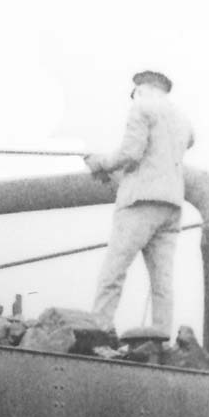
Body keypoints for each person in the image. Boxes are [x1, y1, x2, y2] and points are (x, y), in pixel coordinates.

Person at [83, 70, 194, 337]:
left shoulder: (141, 107)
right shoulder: (182, 119)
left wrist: (100, 163)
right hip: (171, 204)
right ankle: (160, 337)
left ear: (140, 89)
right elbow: (183, 143)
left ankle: (100, 327)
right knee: (162, 281)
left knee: (114, 271)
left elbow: (131, 152)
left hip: (140, 202)